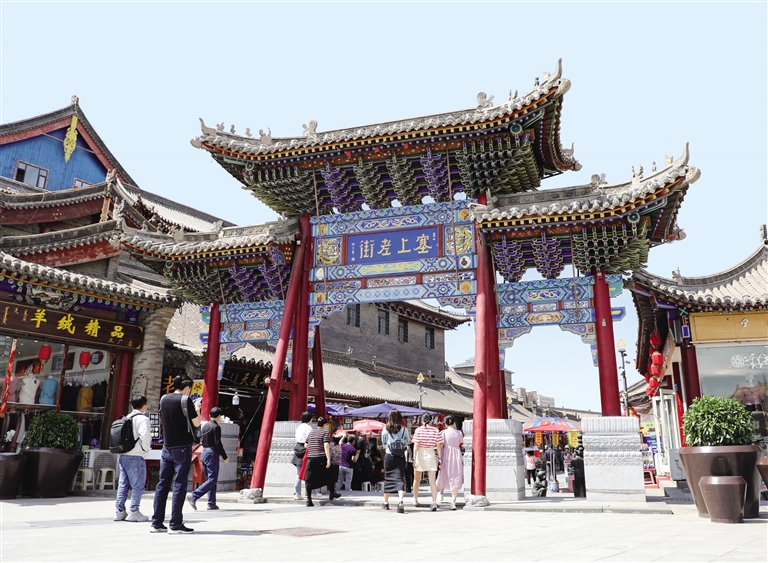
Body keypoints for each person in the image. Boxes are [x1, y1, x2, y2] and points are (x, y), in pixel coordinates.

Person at [151, 376, 201, 534]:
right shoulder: (186, 400)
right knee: (179, 484)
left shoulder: (164, 399)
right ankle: (175, 523)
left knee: (162, 484)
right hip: (182, 447)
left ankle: (156, 523)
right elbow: (197, 423)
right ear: (186, 388)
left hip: (167, 447)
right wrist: (197, 408)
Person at [114, 395, 151, 522]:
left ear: (132, 406)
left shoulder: (126, 418)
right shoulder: (142, 419)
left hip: (123, 455)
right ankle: (134, 511)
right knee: (138, 485)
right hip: (136, 456)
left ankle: (119, 511)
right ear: (144, 406)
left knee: (123, 484)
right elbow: (145, 436)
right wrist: (145, 450)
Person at [187, 407, 229, 511]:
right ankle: (194, 495)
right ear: (218, 417)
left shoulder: (205, 426)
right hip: (211, 453)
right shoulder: (216, 427)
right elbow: (218, 443)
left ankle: (211, 503)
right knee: (212, 479)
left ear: (210, 415)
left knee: (210, 479)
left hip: (204, 452)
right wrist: (225, 456)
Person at [411, 413, 443, 511]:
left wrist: (414, 458)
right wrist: (440, 459)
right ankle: (434, 501)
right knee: (432, 481)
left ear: (422, 421)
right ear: (431, 421)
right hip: (431, 453)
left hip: (420, 453)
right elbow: (439, 446)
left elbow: (416, 445)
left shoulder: (418, 430)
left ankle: (415, 498)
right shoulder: (436, 430)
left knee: (417, 479)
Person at [380, 408, 409, 513]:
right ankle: (400, 500)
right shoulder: (404, 429)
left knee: (388, 478)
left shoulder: (385, 429)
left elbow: (383, 443)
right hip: (400, 457)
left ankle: (386, 503)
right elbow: (407, 442)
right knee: (400, 479)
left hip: (389, 456)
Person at [304, 416, 335, 506]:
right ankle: (332, 493)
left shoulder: (311, 432)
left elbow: (306, 445)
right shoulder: (324, 432)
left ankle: (309, 500)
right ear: (325, 425)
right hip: (320, 457)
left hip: (310, 458)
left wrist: (313, 446)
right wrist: (328, 459)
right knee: (331, 474)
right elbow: (326, 446)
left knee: (309, 478)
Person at [435, 414, 463, 510]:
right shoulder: (459, 432)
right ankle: (453, 501)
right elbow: (460, 443)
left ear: (445, 423)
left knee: (443, 473)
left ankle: (441, 493)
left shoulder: (443, 433)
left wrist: (439, 458)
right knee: (455, 475)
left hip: (446, 454)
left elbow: (440, 445)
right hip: (456, 454)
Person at [291, 411, 313, 501]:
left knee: (299, 473)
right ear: (310, 419)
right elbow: (310, 440)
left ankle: (297, 493)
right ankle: (313, 492)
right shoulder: (309, 428)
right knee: (311, 472)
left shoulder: (299, 427)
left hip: (298, 447)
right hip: (306, 448)